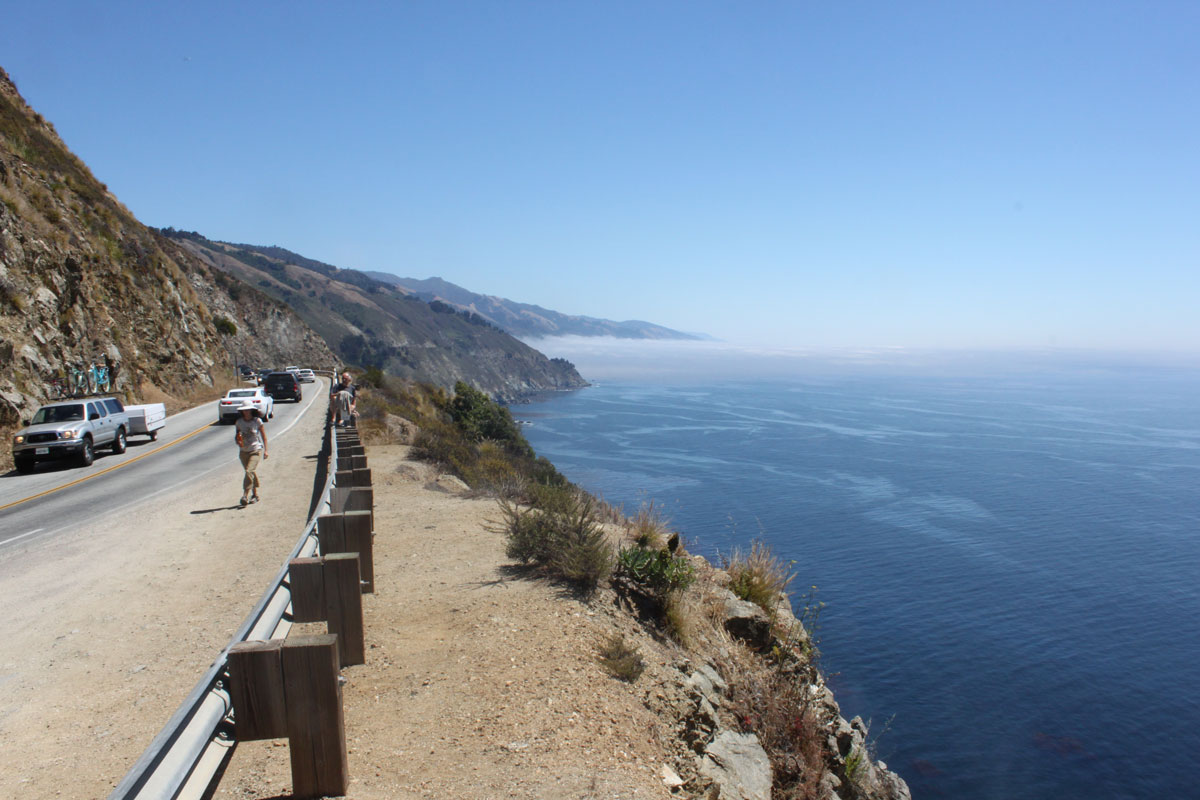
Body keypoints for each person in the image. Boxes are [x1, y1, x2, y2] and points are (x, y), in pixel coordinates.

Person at [234, 402, 268, 505]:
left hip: (255, 450)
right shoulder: (239, 422)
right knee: (250, 472)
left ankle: (245, 495)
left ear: (252, 410)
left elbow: (264, 436)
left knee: (249, 471)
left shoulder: (257, 421)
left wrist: (266, 450)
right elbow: (237, 436)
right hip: (244, 451)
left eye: (248, 410)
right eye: (244, 410)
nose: (246, 412)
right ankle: (255, 495)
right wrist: (238, 440)